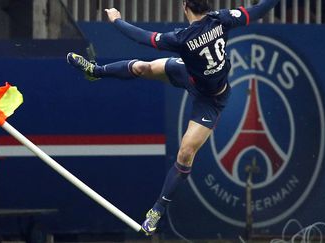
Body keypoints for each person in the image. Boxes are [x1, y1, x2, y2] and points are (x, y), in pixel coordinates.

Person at [67, 0, 279, 235]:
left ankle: (158, 209)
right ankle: (94, 71)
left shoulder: (184, 37)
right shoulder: (222, 18)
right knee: (143, 68)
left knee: (185, 153)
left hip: (210, 101)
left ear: (184, 7)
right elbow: (259, 9)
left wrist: (116, 20)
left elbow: (142, 37)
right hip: (189, 74)